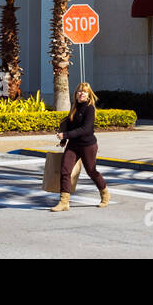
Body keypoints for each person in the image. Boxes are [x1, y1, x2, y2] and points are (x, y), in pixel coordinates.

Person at [50, 81, 110, 211]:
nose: (81, 93)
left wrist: (66, 134)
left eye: (84, 91)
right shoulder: (74, 107)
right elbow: (69, 122)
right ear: (76, 94)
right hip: (73, 145)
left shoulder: (90, 109)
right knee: (65, 171)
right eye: (79, 91)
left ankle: (105, 194)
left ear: (89, 95)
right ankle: (64, 202)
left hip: (88, 145)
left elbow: (85, 129)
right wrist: (63, 139)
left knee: (91, 171)